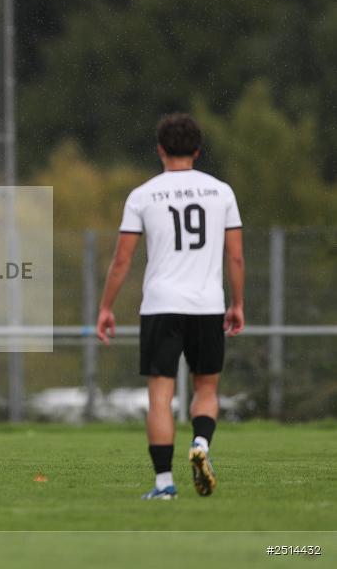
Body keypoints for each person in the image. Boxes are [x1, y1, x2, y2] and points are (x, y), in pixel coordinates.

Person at [95, 113, 244, 499]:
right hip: (208, 304)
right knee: (206, 389)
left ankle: (164, 484)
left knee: (160, 397)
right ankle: (201, 444)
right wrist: (237, 303)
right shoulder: (221, 192)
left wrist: (106, 308)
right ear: (197, 149)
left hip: (161, 305)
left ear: (160, 149)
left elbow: (123, 260)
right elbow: (236, 257)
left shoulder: (143, 195)